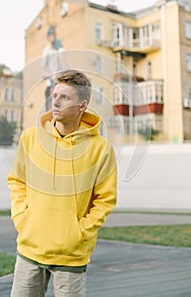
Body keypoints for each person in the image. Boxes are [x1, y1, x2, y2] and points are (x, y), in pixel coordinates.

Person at [8, 69, 117, 297]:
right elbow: (17, 180)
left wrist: (79, 232)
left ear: (82, 106)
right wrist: (22, 218)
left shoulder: (101, 149)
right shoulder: (30, 138)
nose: (55, 102)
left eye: (64, 97)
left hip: (71, 255)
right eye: (54, 95)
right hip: (29, 248)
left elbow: (105, 200)